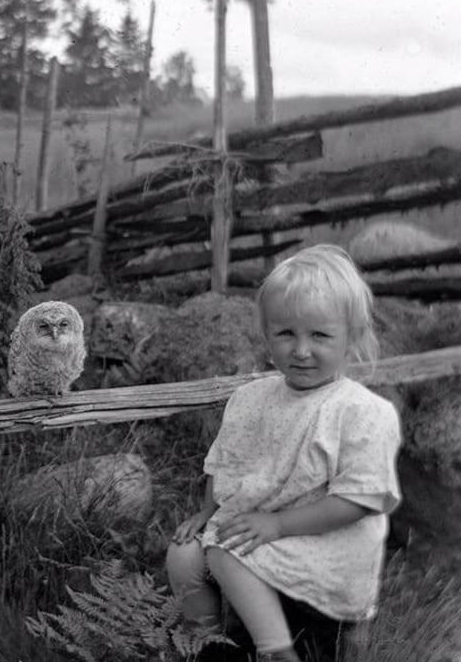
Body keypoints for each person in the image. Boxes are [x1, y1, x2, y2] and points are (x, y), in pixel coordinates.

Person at [166, 244, 402, 662]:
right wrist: (208, 511)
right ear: (266, 334)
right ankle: (208, 647)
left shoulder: (362, 411)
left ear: (353, 337)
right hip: (266, 534)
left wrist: (276, 525)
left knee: (224, 547)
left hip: (329, 547)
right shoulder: (250, 398)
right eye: (285, 333)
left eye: (321, 335)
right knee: (183, 556)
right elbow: (224, 464)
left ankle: (276, 652)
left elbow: (361, 500)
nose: (301, 350)